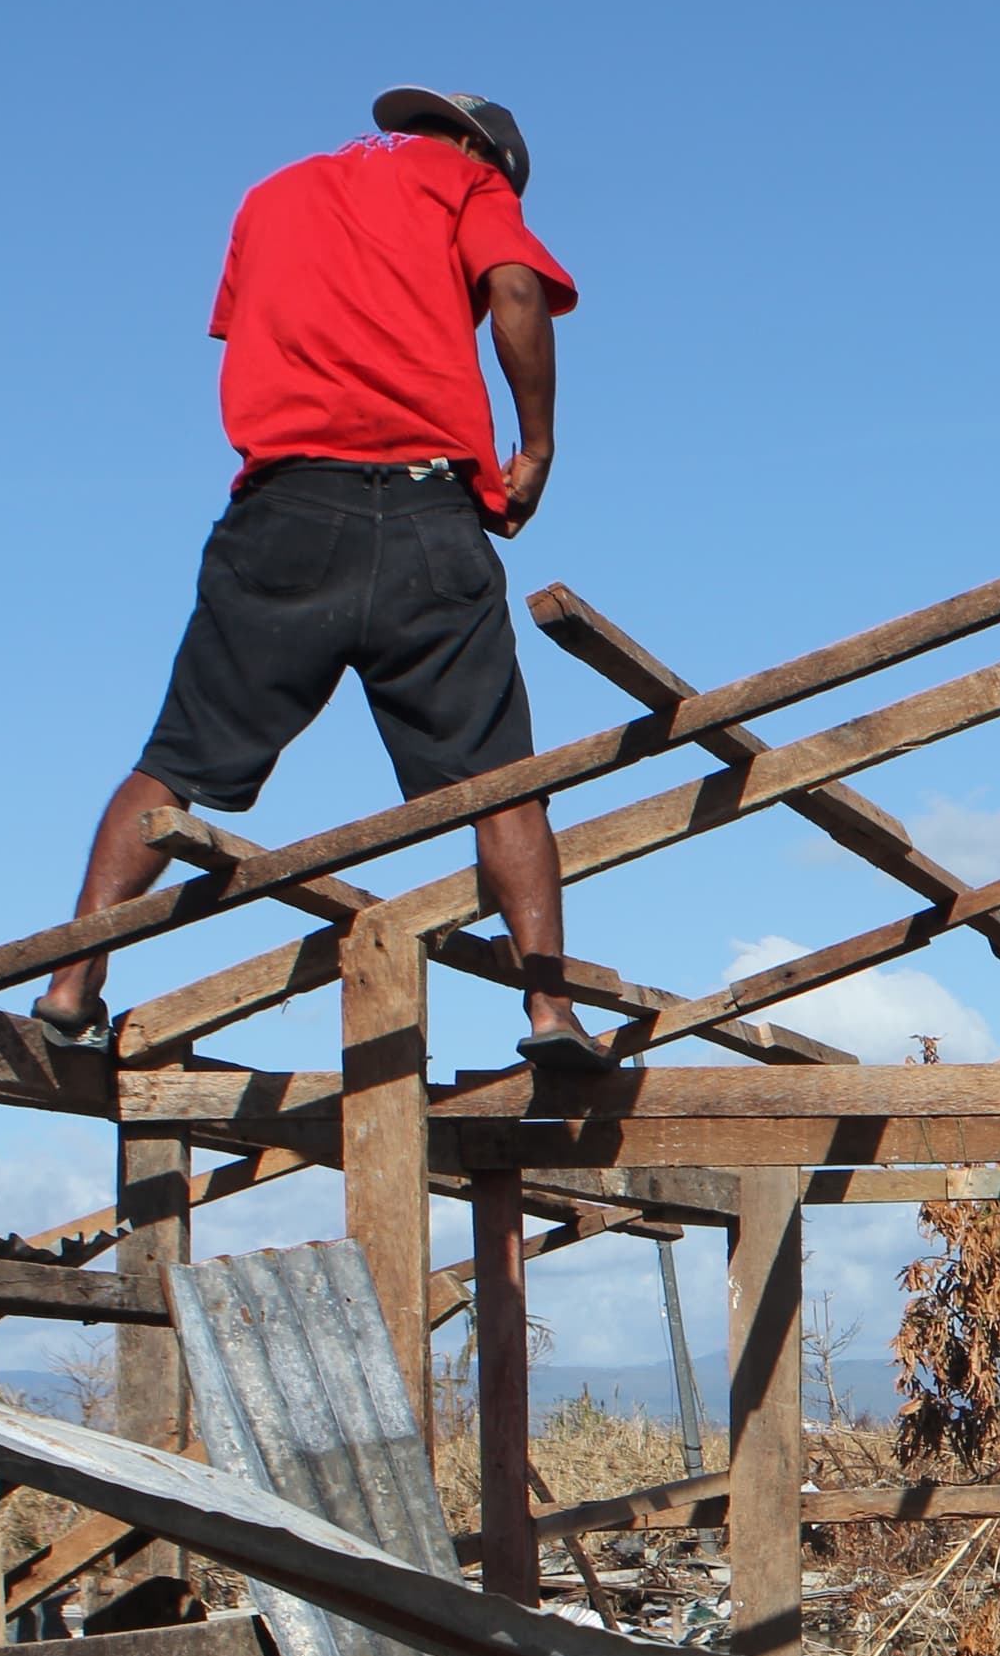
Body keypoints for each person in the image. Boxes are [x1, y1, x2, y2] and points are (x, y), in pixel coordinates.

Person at [37, 88, 607, 1075]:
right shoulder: (466, 179)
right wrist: (539, 446)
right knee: (501, 779)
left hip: (284, 510)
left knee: (176, 757)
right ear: (484, 151)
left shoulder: (274, 193)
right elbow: (516, 288)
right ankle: (550, 1012)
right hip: (429, 513)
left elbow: (254, 328)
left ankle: (69, 978)